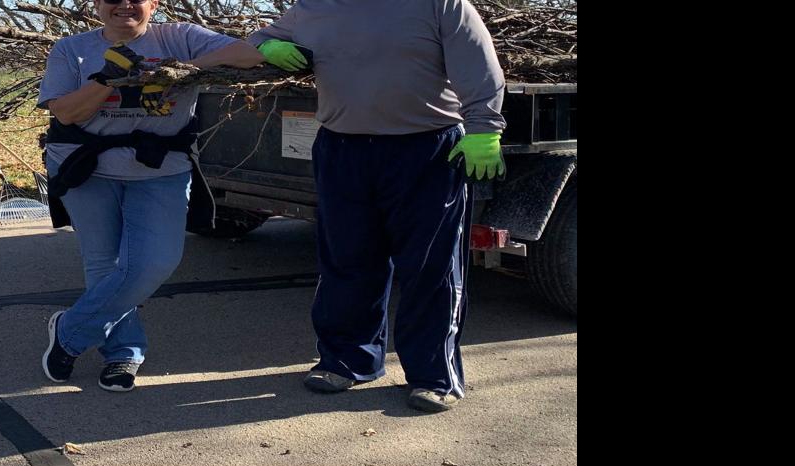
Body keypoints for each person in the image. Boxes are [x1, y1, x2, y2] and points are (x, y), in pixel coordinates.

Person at [251, 0, 507, 413]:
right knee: (347, 261)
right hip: (342, 149)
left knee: (429, 267)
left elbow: (479, 65)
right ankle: (347, 361)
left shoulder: (442, 5)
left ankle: (433, 375)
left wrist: (484, 128)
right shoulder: (314, 7)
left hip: (426, 149)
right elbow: (262, 36)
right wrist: (267, 46)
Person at [37, 0, 264, 392]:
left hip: (159, 168)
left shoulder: (182, 38)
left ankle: (70, 330)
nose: (123, 4)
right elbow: (66, 114)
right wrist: (105, 79)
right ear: (95, 4)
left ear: (153, 3)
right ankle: (123, 353)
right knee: (104, 264)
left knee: (153, 263)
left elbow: (249, 54)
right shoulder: (71, 49)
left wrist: (188, 68)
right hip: (85, 166)